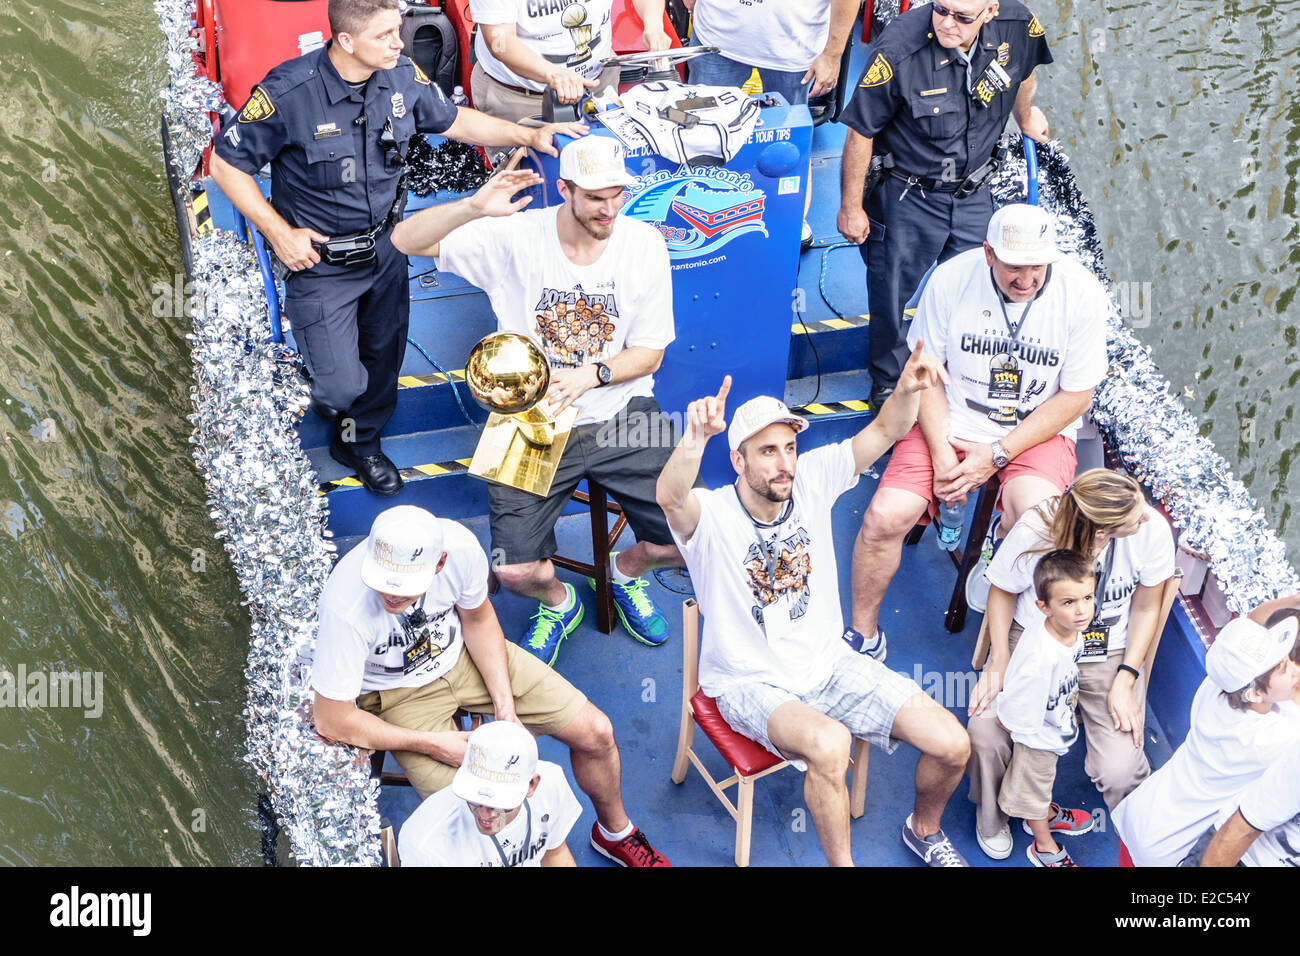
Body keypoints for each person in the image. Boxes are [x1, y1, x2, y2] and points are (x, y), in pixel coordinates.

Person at [210, 0, 585, 497]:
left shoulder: (400, 75)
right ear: (346, 41)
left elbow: (454, 122)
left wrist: (527, 133)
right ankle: (328, 377)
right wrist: (280, 233)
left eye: (398, 31)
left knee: (384, 357)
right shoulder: (288, 92)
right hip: (320, 261)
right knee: (338, 387)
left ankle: (359, 442)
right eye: (385, 35)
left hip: (388, 245)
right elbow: (225, 165)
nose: (399, 43)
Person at [655, 344, 977, 867]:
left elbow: (886, 432)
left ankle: (924, 829)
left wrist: (907, 389)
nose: (785, 464)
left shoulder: (811, 478)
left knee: (952, 743)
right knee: (830, 744)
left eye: (789, 448)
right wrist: (694, 440)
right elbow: (671, 497)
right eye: (767, 452)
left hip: (831, 664)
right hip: (750, 681)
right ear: (737, 459)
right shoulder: (710, 516)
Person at [391, 138, 683, 665]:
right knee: (513, 570)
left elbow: (651, 353)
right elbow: (405, 239)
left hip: (622, 411)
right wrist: (472, 207)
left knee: (684, 539)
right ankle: (561, 600)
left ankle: (624, 573)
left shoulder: (644, 244)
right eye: (596, 197)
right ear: (564, 190)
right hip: (531, 417)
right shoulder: (515, 237)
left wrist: (591, 376)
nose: (609, 209)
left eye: (618, 195)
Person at [312, 504, 670, 866]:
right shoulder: (344, 608)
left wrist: (506, 708)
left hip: (463, 656)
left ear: (439, 564)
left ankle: (615, 833)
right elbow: (332, 719)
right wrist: (435, 745)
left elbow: (478, 620)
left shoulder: (461, 550)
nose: (391, 597)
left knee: (597, 732)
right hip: (395, 694)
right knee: (479, 814)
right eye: (384, 583)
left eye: (406, 588)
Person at [846, 203, 1109, 661]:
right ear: (988, 253)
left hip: (1034, 429)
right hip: (950, 415)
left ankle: (1001, 573)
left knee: (1037, 525)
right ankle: (863, 635)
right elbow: (926, 371)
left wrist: (997, 454)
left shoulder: (1081, 294)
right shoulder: (951, 280)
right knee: (882, 518)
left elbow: (1076, 397)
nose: (1026, 280)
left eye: (1036, 267)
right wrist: (945, 459)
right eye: (1013, 267)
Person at [837, 0, 1052, 406]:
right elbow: (860, 132)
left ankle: (962, 371)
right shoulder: (899, 48)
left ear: (990, 12)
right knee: (890, 291)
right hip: (909, 197)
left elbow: (1023, 74)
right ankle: (888, 381)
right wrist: (851, 207)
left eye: (962, 17)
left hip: (973, 193)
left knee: (979, 286)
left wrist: (1025, 118)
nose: (947, 23)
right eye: (941, 10)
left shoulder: (1017, 25)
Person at [965, 468, 1175, 859]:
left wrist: (1127, 677)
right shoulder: (1036, 529)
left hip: (1108, 652)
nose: (1145, 515)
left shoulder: (1152, 530)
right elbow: (1003, 590)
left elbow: (1147, 605)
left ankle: (1147, 847)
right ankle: (992, 814)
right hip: (1034, 643)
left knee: (1121, 769)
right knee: (985, 732)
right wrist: (1000, 659)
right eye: (1133, 515)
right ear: (1100, 532)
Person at [1110, 614, 1300, 868]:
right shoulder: (1270, 740)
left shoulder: (1215, 687)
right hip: (1167, 845)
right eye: (1284, 668)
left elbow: (1251, 626)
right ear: (1254, 693)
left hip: (1142, 811)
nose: (1295, 670)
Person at [684, 0, 860, 245]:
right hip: (717, 37)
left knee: (790, 139)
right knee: (702, 136)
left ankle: (793, 215)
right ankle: (701, 211)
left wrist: (832, 54)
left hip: (792, 47)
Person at [994, 549, 1095, 867]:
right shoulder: (1041, 657)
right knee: (1034, 792)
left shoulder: (1071, 632)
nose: (1082, 610)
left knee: (1042, 784)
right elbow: (1015, 707)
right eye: (1068, 602)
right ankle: (1043, 844)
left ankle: (1047, 812)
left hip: (1055, 727)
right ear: (1044, 607)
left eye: (1088, 597)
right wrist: (1029, 733)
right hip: (1037, 737)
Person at [398, 720, 583, 866]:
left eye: (500, 804)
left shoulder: (552, 783)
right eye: (475, 799)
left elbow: (555, 854)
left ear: (532, 785)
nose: (485, 815)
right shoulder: (425, 844)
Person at [470, 0, 670, 124]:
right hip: (521, 99)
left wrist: (653, 25)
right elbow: (499, 42)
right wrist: (554, 75)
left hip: (599, 83)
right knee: (530, 182)